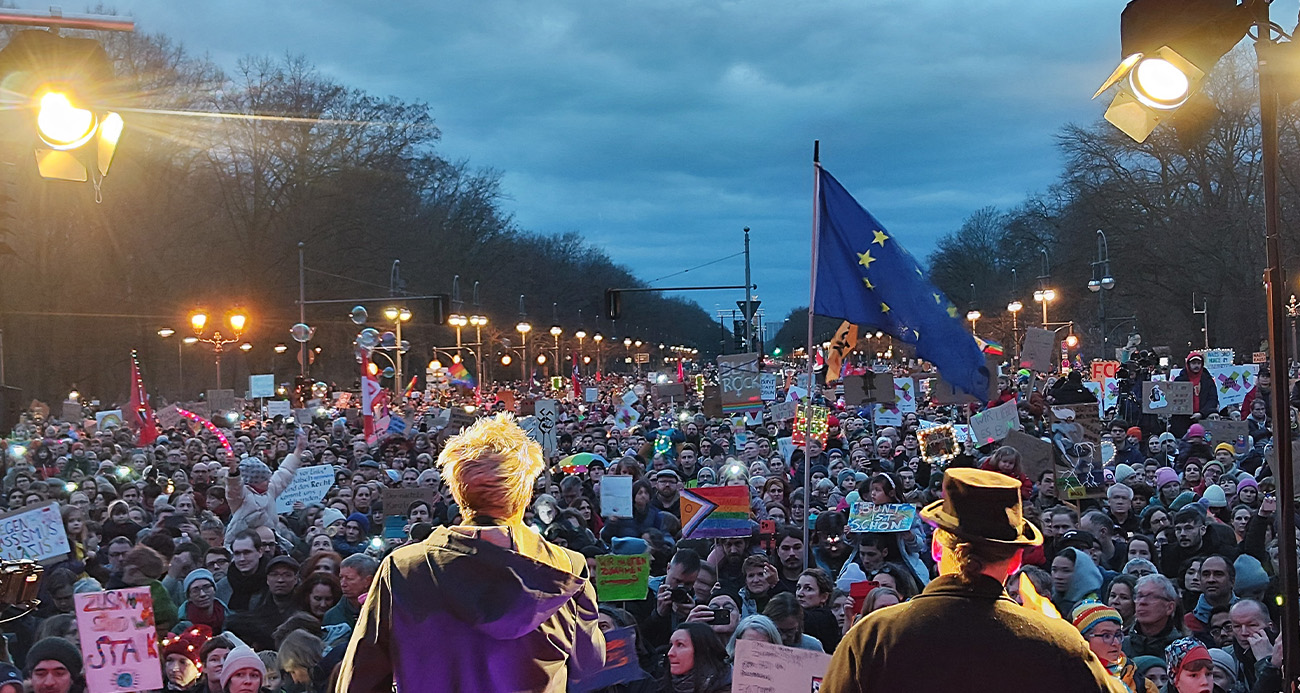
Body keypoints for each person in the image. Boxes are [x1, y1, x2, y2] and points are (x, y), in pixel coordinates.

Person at [336, 414, 604, 692]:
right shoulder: (566, 567)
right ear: (526, 492)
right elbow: (590, 665)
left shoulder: (403, 569)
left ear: (456, 490)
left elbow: (360, 679)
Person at [823, 467, 1115, 693]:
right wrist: (1054, 629)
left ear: (936, 546)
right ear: (1016, 560)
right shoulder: (1059, 642)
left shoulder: (873, 635)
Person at [1070, 601, 1156, 693]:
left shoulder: (1144, 686)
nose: (1115, 642)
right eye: (1106, 636)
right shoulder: (1068, 679)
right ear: (1083, 639)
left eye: (1118, 635)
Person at [664, 623, 731, 693]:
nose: (670, 653)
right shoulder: (663, 685)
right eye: (671, 645)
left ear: (702, 649)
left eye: (680, 644)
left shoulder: (733, 687)